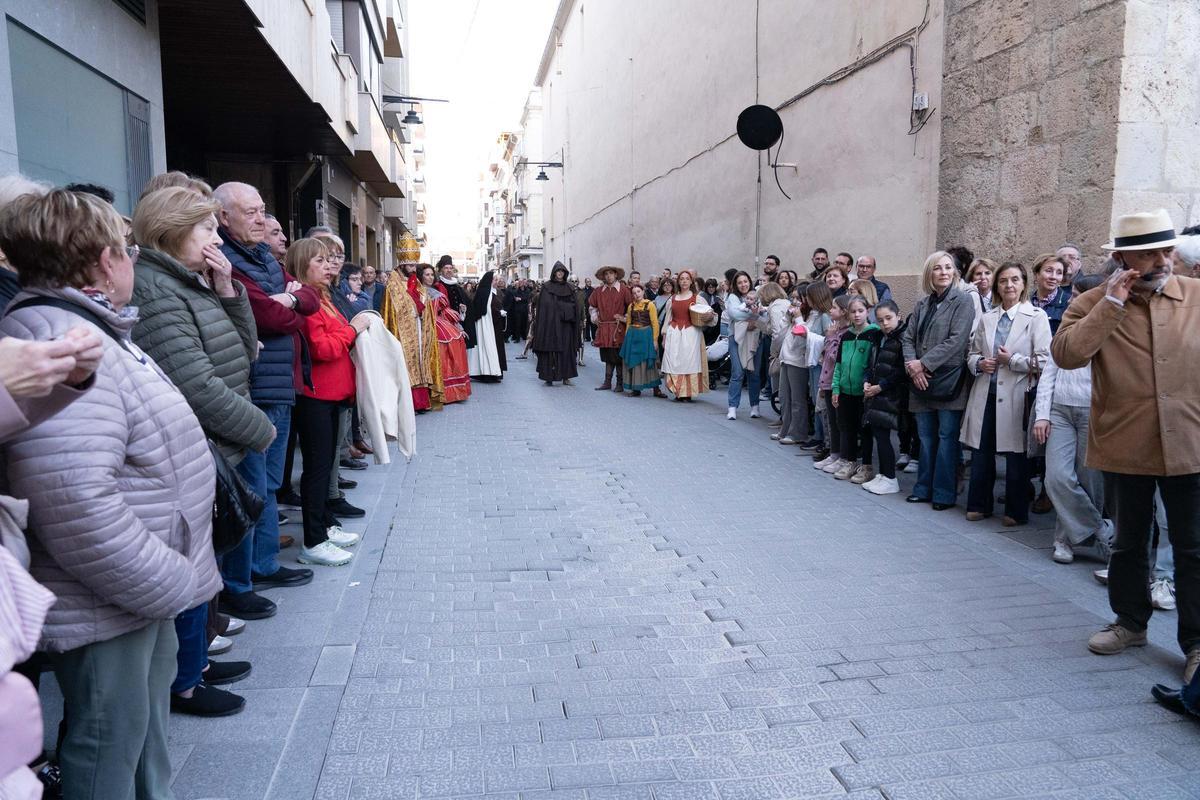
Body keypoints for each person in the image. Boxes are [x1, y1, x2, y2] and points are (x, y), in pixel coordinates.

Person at [0, 188, 220, 798]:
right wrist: (169, 578)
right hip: (109, 599)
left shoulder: (92, 327)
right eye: (127, 250)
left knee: (139, 738)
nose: (132, 261)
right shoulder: (61, 336)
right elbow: (74, 502)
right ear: (104, 261)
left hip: (132, 594)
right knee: (107, 748)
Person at [129, 187, 283, 715]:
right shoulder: (155, 289)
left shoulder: (190, 281)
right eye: (207, 230)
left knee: (204, 563)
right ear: (175, 231)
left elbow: (242, 354)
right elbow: (196, 383)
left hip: (216, 441)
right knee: (191, 565)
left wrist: (228, 291)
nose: (217, 239)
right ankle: (184, 680)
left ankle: (194, 664)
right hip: (199, 441)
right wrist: (259, 427)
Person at [1052, 209, 1200, 680]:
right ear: (1120, 257)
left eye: (1161, 252)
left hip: (1191, 443)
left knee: (1194, 548)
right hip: (1125, 441)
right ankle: (1130, 623)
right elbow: (1067, 354)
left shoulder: (1196, 297)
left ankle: (1197, 644)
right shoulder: (1095, 301)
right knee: (1130, 541)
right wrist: (1109, 308)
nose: (1155, 262)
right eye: (1142, 254)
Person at [217, 182, 324, 589]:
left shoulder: (261, 255)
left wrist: (292, 301)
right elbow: (265, 315)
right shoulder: (228, 258)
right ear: (223, 216)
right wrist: (290, 303)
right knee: (252, 484)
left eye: (263, 210)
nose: (261, 220)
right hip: (257, 384)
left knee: (270, 482)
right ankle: (241, 579)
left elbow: (308, 301)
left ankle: (262, 564)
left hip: (281, 381)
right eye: (251, 212)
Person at [290, 238, 366, 567]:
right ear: (303, 265)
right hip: (316, 395)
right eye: (319, 261)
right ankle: (313, 539)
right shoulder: (305, 300)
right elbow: (322, 349)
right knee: (317, 469)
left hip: (333, 393)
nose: (328, 266)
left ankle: (324, 525)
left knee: (324, 465)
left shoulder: (323, 297)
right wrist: (352, 329)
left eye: (329, 260)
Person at [960, 261, 1052, 527]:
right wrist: (979, 364)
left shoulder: (1036, 317)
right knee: (981, 452)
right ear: (997, 285)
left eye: (1014, 280)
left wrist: (1012, 361)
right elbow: (972, 353)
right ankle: (979, 505)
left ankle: (1015, 510)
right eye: (1003, 281)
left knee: (1016, 457)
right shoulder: (988, 317)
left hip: (1016, 395)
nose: (1009, 285)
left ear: (1024, 284)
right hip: (985, 393)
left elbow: (1045, 360)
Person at [1033, 272, 1112, 564]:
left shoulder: (1110, 328)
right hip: (1060, 411)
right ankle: (1103, 532)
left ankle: (1065, 540)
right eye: (1073, 295)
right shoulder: (1066, 328)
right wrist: (1042, 415)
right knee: (1057, 478)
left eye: (1079, 295)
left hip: (1093, 413)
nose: (1073, 300)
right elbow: (1049, 373)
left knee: (1090, 482)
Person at [902, 251, 977, 511]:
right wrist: (914, 368)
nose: (944, 272)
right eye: (938, 268)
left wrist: (923, 364)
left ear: (955, 272)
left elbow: (956, 340)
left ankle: (944, 493)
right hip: (920, 382)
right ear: (929, 273)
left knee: (947, 438)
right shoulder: (922, 304)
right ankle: (923, 488)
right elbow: (907, 338)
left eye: (948, 267)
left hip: (947, 380)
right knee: (925, 438)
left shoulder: (963, 301)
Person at [830, 295, 881, 483]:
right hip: (845, 390)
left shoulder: (874, 333)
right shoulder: (846, 336)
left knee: (865, 429)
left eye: (861, 310)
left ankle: (866, 465)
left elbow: (874, 363)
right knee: (847, 428)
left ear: (868, 311)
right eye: (853, 311)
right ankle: (850, 461)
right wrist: (836, 387)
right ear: (848, 314)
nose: (857, 315)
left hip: (864, 391)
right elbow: (839, 364)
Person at [860, 299, 907, 495]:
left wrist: (881, 387)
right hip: (876, 392)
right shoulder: (878, 337)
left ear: (899, 316)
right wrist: (867, 381)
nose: (885, 323)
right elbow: (872, 364)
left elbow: (901, 371)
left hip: (891, 395)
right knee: (878, 434)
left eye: (889, 318)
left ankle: (890, 478)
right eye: (880, 320)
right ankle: (883, 474)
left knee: (884, 436)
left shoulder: (902, 339)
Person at [421, 263, 471, 404]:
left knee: (456, 340)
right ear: (421, 276)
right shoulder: (416, 291)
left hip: (439, 323)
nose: (430, 277)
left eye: (431, 274)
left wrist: (459, 326)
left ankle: (453, 392)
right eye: (426, 274)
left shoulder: (437, 293)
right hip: (423, 324)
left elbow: (445, 311)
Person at [659, 269, 709, 401]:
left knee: (689, 362)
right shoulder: (673, 299)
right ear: (678, 281)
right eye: (681, 279)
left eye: (687, 278)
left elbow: (708, 314)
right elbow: (668, 318)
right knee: (673, 361)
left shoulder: (697, 298)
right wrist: (664, 335)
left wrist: (707, 317)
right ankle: (678, 390)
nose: (684, 281)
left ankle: (687, 393)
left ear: (691, 281)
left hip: (691, 334)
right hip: (674, 332)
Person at [814, 297, 850, 471]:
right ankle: (834, 454)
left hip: (838, 383)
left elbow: (835, 357)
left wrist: (830, 338)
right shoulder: (834, 330)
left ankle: (842, 456)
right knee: (831, 421)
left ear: (843, 311)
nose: (830, 310)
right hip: (827, 381)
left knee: (840, 422)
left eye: (834, 307)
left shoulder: (844, 332)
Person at [724, 270, 766, 420]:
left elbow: (765, 314)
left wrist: (754, 317)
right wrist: (754, 315)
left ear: (750, 282)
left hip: (755, 338)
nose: (743, 284)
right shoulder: (733, 297)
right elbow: (734, 314)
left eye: (745, 281)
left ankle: (754, 406)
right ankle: (732, 407)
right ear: (735, 284)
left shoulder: (759, 296)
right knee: (737, 372)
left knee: (754, 373)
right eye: (740, 282)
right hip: (736, 337)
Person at [772, 288, 810, 446]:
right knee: (784, 398)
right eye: (792, 298)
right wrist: (787, 319)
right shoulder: (792, 317)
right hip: (785, 359)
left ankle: (798, 433)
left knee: (797, 399)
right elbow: (779, 336)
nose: (794, 302)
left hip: (798, 361)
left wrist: (799, 319)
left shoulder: (809, 317)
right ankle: (785, 429)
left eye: (798, 299)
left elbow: (804, 340)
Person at [532, 262, 580, 385]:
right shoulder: (546, 287)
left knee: (566, 350)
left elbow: (575, 307)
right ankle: (549, 377)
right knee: (549, 350)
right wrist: (555, 309)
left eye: (562, 271)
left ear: (565, 273)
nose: (560, 273)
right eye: (558, 271)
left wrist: (562, 309)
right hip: (550, 326)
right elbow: (544, 307)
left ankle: (566, 377)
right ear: (554, 272)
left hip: (565, 326)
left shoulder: (570, 288)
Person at [588, 266, 632, 392]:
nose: (609, 276)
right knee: (607, 355)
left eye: (611, 273)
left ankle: (619, 383)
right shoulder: (598, 291)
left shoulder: (624, 290)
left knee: (618, 356)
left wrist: (624, 318)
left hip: (618, 328)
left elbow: (631, 308)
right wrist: (595, 316)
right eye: (606, 274)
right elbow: (592, 306)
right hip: (604, 328)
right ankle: (607, 382)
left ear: (616, 275)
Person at [617, 283, 664, 398]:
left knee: (649, 361)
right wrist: (627, 339)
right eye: (634, 293)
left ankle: (656, 389)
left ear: (643, 292)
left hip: (646, 335)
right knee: (634, 362)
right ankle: (636, 389)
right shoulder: (631, 306)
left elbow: (655, 324)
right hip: (633, 336)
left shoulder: (650, 305)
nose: (636, 294)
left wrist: (654, 340)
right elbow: (628, 323)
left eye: (638, 291)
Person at [464, 270, 504, 382]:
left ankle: (490, 372)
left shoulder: (489, 292)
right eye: (494, 280)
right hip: (483, 324)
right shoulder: (483, 292)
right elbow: (483, 309)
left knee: (487, 348)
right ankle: (486, 372)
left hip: (488, 324)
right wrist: (498, 313)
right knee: (485, 347)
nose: (496, 282)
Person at [1029, 253, 1071, 334]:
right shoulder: (1025, 301)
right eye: (1049, 271)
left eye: (1059, 273)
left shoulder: (1069, 303)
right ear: (1036, 274)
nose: (1053, 277)